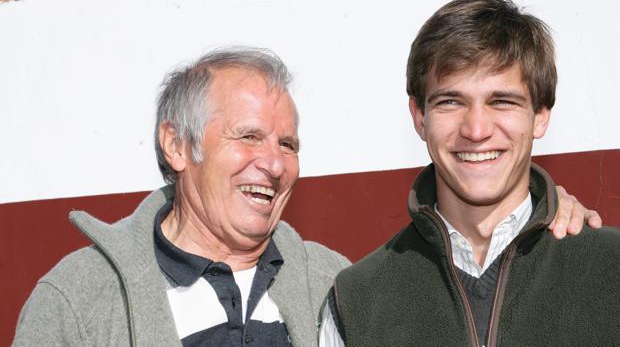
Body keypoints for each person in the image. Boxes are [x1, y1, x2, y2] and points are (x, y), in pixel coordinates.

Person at [12, 46, 597, 347]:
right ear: (177, 145)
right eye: (248, 137)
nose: (273, 163)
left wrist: (544, 217)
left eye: (288, 143)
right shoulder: (77, 301)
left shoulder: (334, 285)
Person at [320, 0, 620, 346]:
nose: (476, 130)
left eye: (502, 101)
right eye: (451, 101)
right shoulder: (356, 300)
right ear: (420, 117)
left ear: (540, 115)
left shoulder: (611, 271)